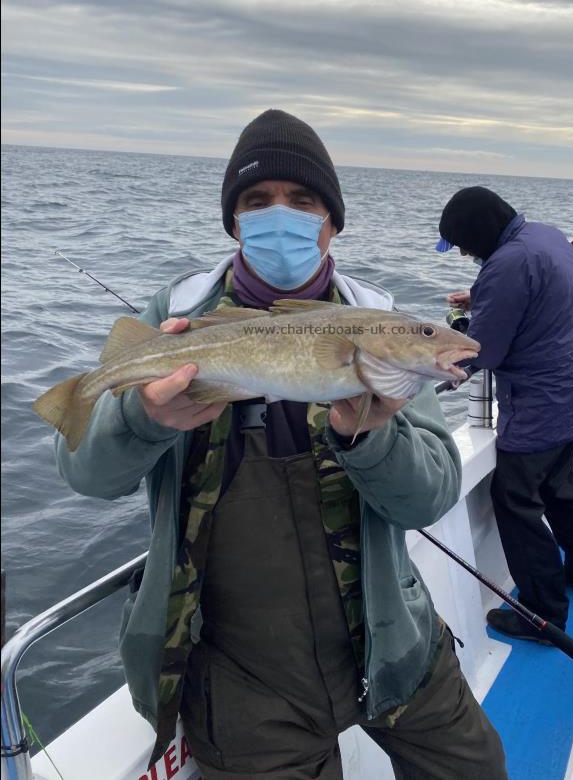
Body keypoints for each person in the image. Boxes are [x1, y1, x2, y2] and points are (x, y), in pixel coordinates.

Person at [56, 111, 506, 780]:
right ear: (234, 222)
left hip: (393, 639)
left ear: (333, 221)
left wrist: (372, 432)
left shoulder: (379, 323)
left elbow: (431, 496)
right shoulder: (176, 315)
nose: (280, 215)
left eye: (302, 200)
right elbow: (89, 476)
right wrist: (145, 418)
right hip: (241, 676)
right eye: (256, 201)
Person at [437, 186, 573, 645]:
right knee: (561, 485)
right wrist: (481, 298)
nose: (468, 253)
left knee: (515, 501)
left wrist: (440, 360)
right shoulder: (546, 237)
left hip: (538, 406)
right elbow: (534, 295)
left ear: (478, 232)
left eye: (466, 244)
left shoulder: (507, 263)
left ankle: (543, 614)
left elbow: (483, 350)